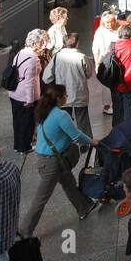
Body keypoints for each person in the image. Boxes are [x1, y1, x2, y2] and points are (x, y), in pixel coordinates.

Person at [19, 84, 101, 237]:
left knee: (69, 183)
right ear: (58, 98)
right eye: (65, 95)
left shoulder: (45, 112)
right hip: (52, 162)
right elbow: (76, 135)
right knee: (41, 197)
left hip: (49, 159)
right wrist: (93, 141)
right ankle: (25, 229)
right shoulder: (61, 115)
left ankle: (84, 206)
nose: (66, 97)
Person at [42, 31, 94, 148]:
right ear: (77, 43)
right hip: (80, 93)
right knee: (83, 119)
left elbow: (46, 77)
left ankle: (66, 142)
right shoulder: (82, 57)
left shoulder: (57, 57)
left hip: (62, 94)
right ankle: (86, 143)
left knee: (65, 120)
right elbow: (89, 73)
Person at [8, 29, 45, 155]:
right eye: (42, 43)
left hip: (14, 93)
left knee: (17, 121)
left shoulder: (21, 52)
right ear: (36, 44)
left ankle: (18, 145)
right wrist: (29, 101)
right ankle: (24, 147)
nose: (44, 45)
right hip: (25, 96)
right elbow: (30, 82)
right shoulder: (33, 58)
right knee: (26, 123)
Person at [109, 23, 131, 127]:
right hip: (130, 81)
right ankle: (127, 133)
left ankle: (116, 133)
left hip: (115, 81)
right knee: (128, 108)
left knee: (117, 108)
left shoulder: (113, 45)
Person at [92, 12, 118, 118]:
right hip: (104, 61)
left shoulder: (116, 30)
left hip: (115, 60)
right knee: (106, 85)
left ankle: (114, 103)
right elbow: (95, 48)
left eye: (111, 22)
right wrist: (97, 63)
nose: (109, 24)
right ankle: (107, 105)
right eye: (107, 22)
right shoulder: (100, 32)